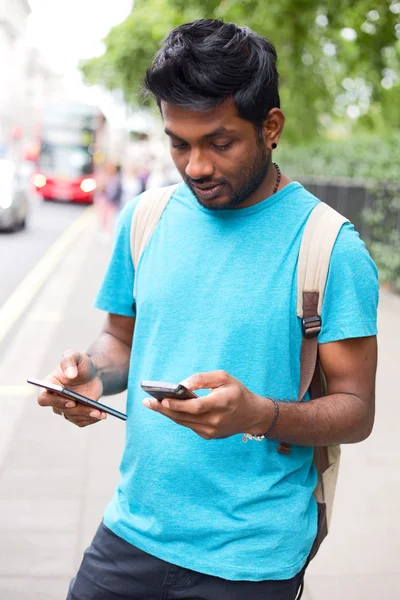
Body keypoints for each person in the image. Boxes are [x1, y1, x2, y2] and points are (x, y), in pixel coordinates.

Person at [37, 19, 378, 600]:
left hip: (251, 560)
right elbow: (119, 340)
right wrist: (91, 376)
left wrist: (259, 414)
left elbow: (355, 410)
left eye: (219, 143)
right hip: (130, 532)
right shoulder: (146, 218)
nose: (195, 166)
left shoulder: (330, 247)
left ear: (270, 127)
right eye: (179, 142)